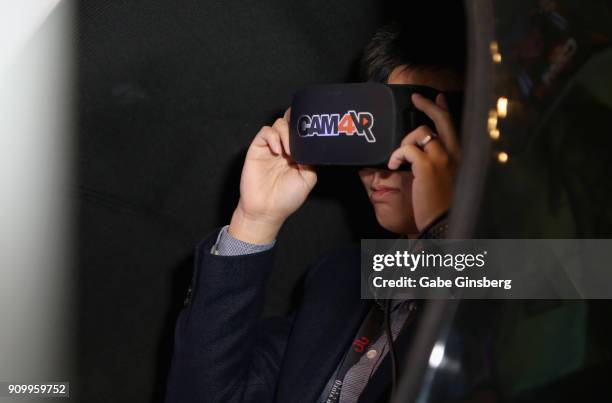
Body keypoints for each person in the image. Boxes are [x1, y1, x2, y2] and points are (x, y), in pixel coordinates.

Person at [165, 19, 465, 403]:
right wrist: (253, 222)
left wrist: (445, 231)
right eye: (370, 128)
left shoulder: (546, 276)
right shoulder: (340, 278)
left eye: (413, 131)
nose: (382, 164)